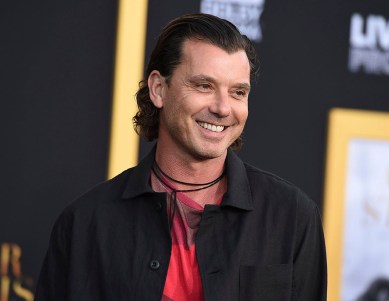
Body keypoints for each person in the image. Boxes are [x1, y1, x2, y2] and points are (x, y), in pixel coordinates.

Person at [36, 13, 327, 301]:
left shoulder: (293, 218)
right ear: (159, 89)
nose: (223, 108)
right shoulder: (84, 224)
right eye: (204, 86)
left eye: (238, 92)